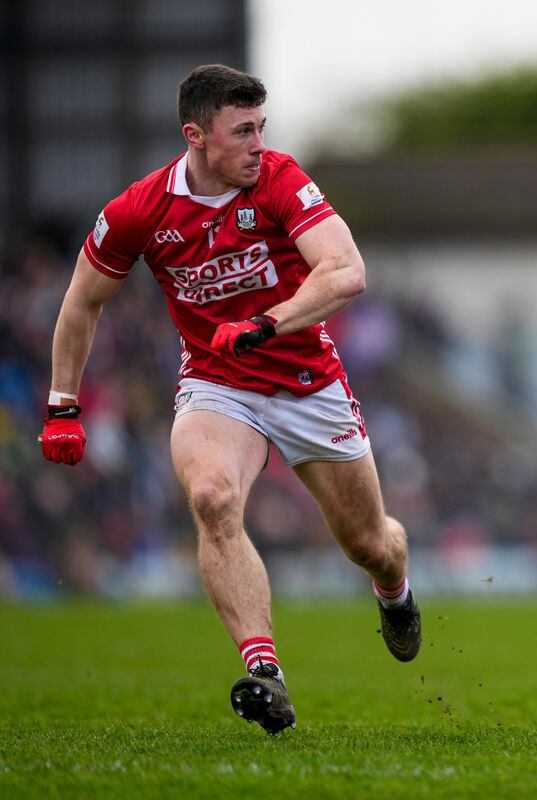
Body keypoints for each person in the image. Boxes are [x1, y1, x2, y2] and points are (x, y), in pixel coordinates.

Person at [39, 64, 422, 733]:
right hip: (220, 383)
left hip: (309, 382)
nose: (257, 143)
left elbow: (347, 270)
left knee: (368, 543)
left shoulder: (279, 179)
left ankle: (395, 589)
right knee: (213, 498)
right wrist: (62, 403)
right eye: (242, 131)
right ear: (196, 136)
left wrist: (268, 322)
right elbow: (81, 303)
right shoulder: (138, 212)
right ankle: (264, 674)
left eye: (260, 128)